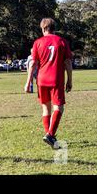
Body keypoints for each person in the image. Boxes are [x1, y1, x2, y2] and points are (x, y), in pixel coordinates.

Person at [24, 18, 73, 149]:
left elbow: (33, 63)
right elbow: (67, 62)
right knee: (58, 107)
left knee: (46, 108)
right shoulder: (62, 41)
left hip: (41, 80)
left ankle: (49, 135)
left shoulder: (37, 42)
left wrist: (28, 82)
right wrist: (70, 80)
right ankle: (50, 134)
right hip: (56, 79)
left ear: (43, 28)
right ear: (54, 28)